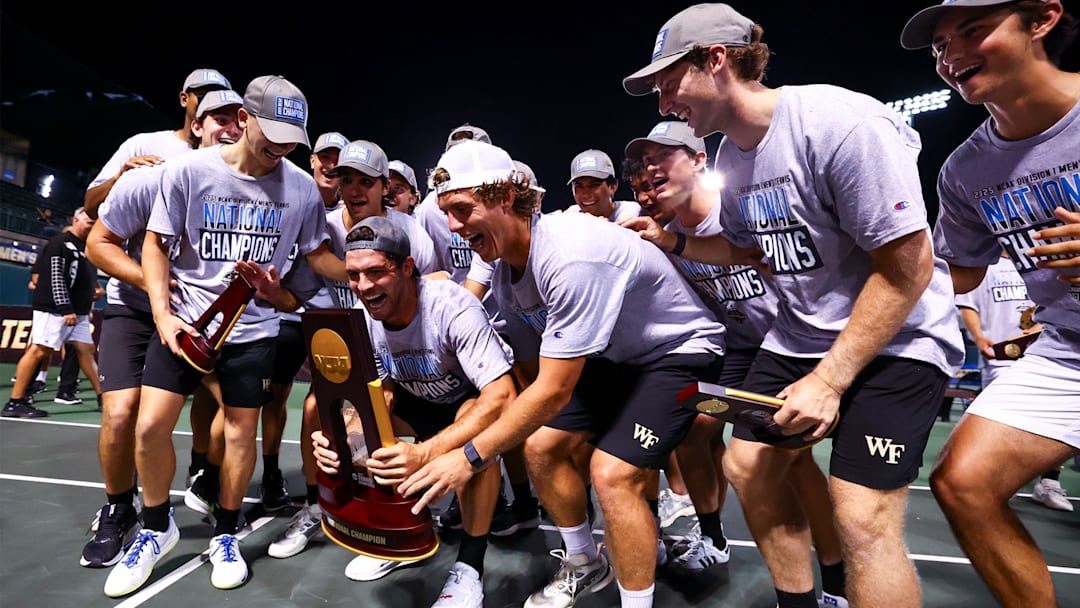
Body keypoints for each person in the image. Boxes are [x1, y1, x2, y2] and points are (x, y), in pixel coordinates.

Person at [620, 5, 966, 607]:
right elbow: (748, 247)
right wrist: (671, 239)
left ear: (717, 60)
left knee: (862, 517)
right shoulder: (731, 155)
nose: (662, 102)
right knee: (747, 467)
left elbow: (908, 266)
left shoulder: (839, 123)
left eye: (668, 82)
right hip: (800, 334)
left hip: (898, 336)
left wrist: (830, 381)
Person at [397, 140, 727, 608]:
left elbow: (552, 391)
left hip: (680, 351)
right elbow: (534, 379)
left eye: (464, 209)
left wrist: (467, 457)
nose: (453, 226)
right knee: (540, 445)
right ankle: (585, 561)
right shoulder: (506, 270)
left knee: (612, 474)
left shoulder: (569, 255)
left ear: (506, 197)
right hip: (619, 357)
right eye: (447, 212)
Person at [102, 75, 346, 597]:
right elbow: (155, 244)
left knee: (240, 435)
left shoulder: (301, 187)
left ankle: (227, 532)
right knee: (147, 429)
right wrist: (164, 317)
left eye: (291, 138)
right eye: (272, 131)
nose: (280, 146)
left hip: (252, 332)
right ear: (245, 119)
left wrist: (364, 271)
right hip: (186, 325)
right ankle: (155, 525)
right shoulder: (190, 170)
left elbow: (315, 259)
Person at [900, 1, 1080, 605]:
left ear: (1042, 19)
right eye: (940, 46)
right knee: (962, 482)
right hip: (1067, 352)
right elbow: (959, 276)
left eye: (973, 31)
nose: (951, 56)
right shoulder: (965, 170)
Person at [310, 215, 518, 608]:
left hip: (470, 403)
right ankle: (396, 535)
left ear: (407, 268)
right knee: (357, 427)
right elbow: (381, 394)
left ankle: (470, 568)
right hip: (415, 398)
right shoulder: (367, 318)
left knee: (475, 442)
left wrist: (425, 453)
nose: (364, 287)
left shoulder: (453, 309)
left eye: (375, 272)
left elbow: (502, 397)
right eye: (354, 276)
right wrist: (345, 437)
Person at [80, 89, 244, 569]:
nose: (229, 129)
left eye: (238, 121)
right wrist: (154, 283)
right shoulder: (153, 175)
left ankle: (206, 480)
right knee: (122, 415)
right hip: (135, 309)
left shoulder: (249, 186)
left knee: (231, 412)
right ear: (196, 125)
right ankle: (119, 506)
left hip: (200, 316)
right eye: (217, 119)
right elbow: (99, 243)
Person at [254, 130, 349, 517]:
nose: (330, 165)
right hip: (289, 313)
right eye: (324, 157)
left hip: (334, 319)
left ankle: (342, 479)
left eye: (337, 161)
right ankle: (272, 473)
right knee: (272, 396)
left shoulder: (350, 211)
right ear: (312, 159)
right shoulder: (285, 193)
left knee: (334, 403)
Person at [83, 68, 231, 217]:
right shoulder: (143, 144)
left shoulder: (230, 159)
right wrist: (119, 179)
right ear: (184, 99)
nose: (212, 104)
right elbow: (90, 207)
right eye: (203, 96)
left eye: (219, 99)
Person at [3, 207, 102, 419]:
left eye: (95, 222)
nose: (92, 225)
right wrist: (65, 308)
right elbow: (56, 277)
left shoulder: (86, 247)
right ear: (75, 219)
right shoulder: (60, 244)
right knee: (39, 350)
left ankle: (104, 398)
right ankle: (16, 401)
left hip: (80, 312)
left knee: (85, 350)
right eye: (88, 221)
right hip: (55, 310)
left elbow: (83, 280)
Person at [565, 149, 641, 221]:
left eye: (594, 185)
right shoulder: (570, 216)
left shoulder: (633, 213)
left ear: (612, 187)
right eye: (579, 186)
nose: (586, 194)